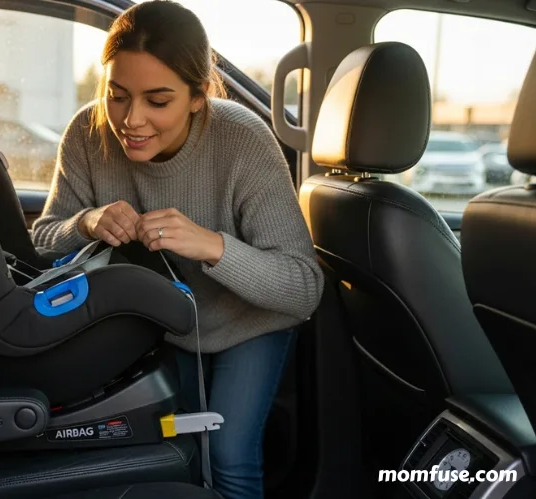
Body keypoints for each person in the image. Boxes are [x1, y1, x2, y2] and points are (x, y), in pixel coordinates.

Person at [31, 1, 324, 498]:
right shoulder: (88, 131)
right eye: (117, 95)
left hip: (249, 322)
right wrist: (87, 222)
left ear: (197, 97)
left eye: (158, 101)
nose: (132, 120)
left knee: (228, 456)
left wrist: (212, 246)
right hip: (159, 325)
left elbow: (303, 287)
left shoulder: (242, 140)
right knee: (175, 456)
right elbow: (42, 239)